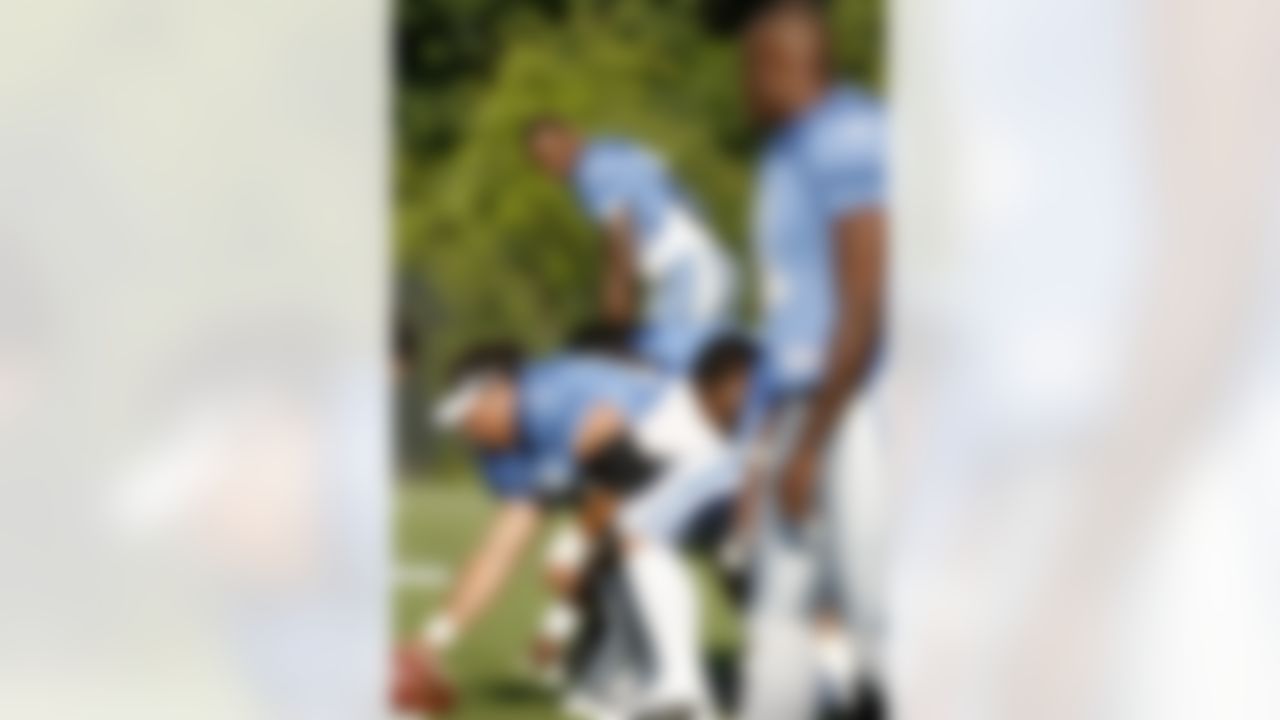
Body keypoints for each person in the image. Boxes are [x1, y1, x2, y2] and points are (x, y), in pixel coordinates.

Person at [395, 337, 759, 720]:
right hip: (656, 484)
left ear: (498, 390)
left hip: (717, 461)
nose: (468, 430)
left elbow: (623, 471)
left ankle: (682, 690)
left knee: (648, 539)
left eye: (469, 415)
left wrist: (575, 558)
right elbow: (498, 551)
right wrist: (431, 642)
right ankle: (651, 685)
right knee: (618, 568)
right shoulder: (507, 448)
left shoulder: (550, 394)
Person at [734, 1, 889, 718]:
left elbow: (866, 297)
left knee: (878, 609)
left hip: (859, 401)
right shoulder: (785, 149)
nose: (741, 86)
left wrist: (816, 440)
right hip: (810, 402)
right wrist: (765, 447)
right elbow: (790, 319)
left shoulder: (851, 135)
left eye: (746, 67)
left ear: (779, 63)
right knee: (777, 608)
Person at [526, 118, 737, 373]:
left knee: (668, 367)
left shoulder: (592, 173)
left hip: (687, 271)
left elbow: (621, 248)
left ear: (572, 137)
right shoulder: (616, 150)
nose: (553, 165)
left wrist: (613, 332)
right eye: (544, 161)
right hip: (699, 264)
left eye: (553, 154)